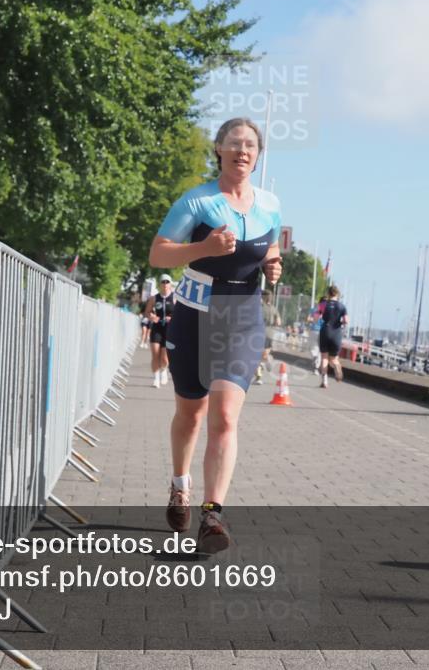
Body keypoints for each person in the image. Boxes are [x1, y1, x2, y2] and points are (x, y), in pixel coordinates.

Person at [149, 117, 282, 553]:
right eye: (234, 143)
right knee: (192, 414)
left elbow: (271, 245)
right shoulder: (197, 200)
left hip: (242, 318)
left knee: (226, 417)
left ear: (258, 156)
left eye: (251, 145)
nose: (243, 151)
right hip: (195, 315)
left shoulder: (270, 203)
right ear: (219, 150)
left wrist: (272, 265)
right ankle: (178, 484)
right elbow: (158, 253)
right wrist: (204, 249)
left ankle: (213, 515)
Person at [144, 274, 176, 387]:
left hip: (169, 329)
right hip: (157, 328)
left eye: (167, 282)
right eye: (163, 282)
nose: (165, 284)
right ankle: (156, 378)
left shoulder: (175, 298)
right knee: (155, 354)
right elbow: (147, 312)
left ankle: (164, 370)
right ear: (160, 284)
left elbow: (180, 314)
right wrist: (152, 317)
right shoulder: (154, 298)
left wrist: (172, 318)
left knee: (165, 358)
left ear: (171, 284)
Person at [317, 285, 348, 388]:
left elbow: (316, 317)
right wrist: (340, 322)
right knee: (333, 359)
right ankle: (336, 366)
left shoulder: (323, 304)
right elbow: (346, 321)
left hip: (325, 331)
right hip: (336, 332)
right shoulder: (342, 306)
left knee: (324, 358)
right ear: (337, 294)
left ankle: (324, 381)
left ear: (328, 294)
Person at [254, 289, 281, 385]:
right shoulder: (274, 308)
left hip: (259, 332)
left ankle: (258, 377)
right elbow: (278, 322)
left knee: (256, 356)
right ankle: (267, 359)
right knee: (264, 354)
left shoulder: (259, 307)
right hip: (270, 333)